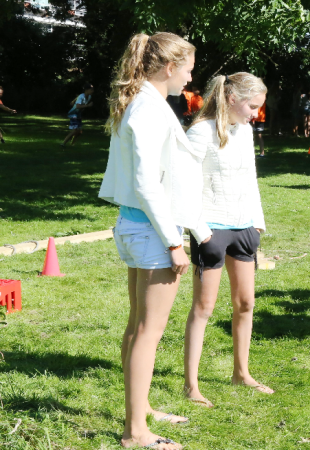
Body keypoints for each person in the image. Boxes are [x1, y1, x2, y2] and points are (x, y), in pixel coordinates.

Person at [98, 32, 201, 450]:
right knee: (147, 331)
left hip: (137, 226)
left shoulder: (143, 103)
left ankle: (140, 412)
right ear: (170, 67)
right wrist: (174, 242)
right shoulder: (147, 108)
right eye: (188, 69)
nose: (190, 78)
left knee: (138, 326)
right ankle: (135, 432)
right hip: (151, 231)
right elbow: (146, 183)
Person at [183, 72, 272, 409]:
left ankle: (241, 373)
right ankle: (191, 386)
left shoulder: (245, 131)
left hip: (245, 228)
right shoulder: (200, 132)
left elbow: (251, 178)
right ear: (232, 99)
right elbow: (184, 184)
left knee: (245, 304)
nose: (256, 114)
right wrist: (200, 230)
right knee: (203, 307)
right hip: (211, 230)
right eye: (252, 106)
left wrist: (257, 223)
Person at [61, 83, 95, 147]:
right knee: (75, 130)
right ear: (86, 90)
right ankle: (63, 143)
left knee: (79, 132)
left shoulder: (89, 97)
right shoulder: (81, 96)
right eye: (91, 89)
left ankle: (72, 144)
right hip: (73, 114)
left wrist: (73, 101)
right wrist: (88, 105)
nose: (92, 91)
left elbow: (77, 100)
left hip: (78, 114)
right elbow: (77, 106)